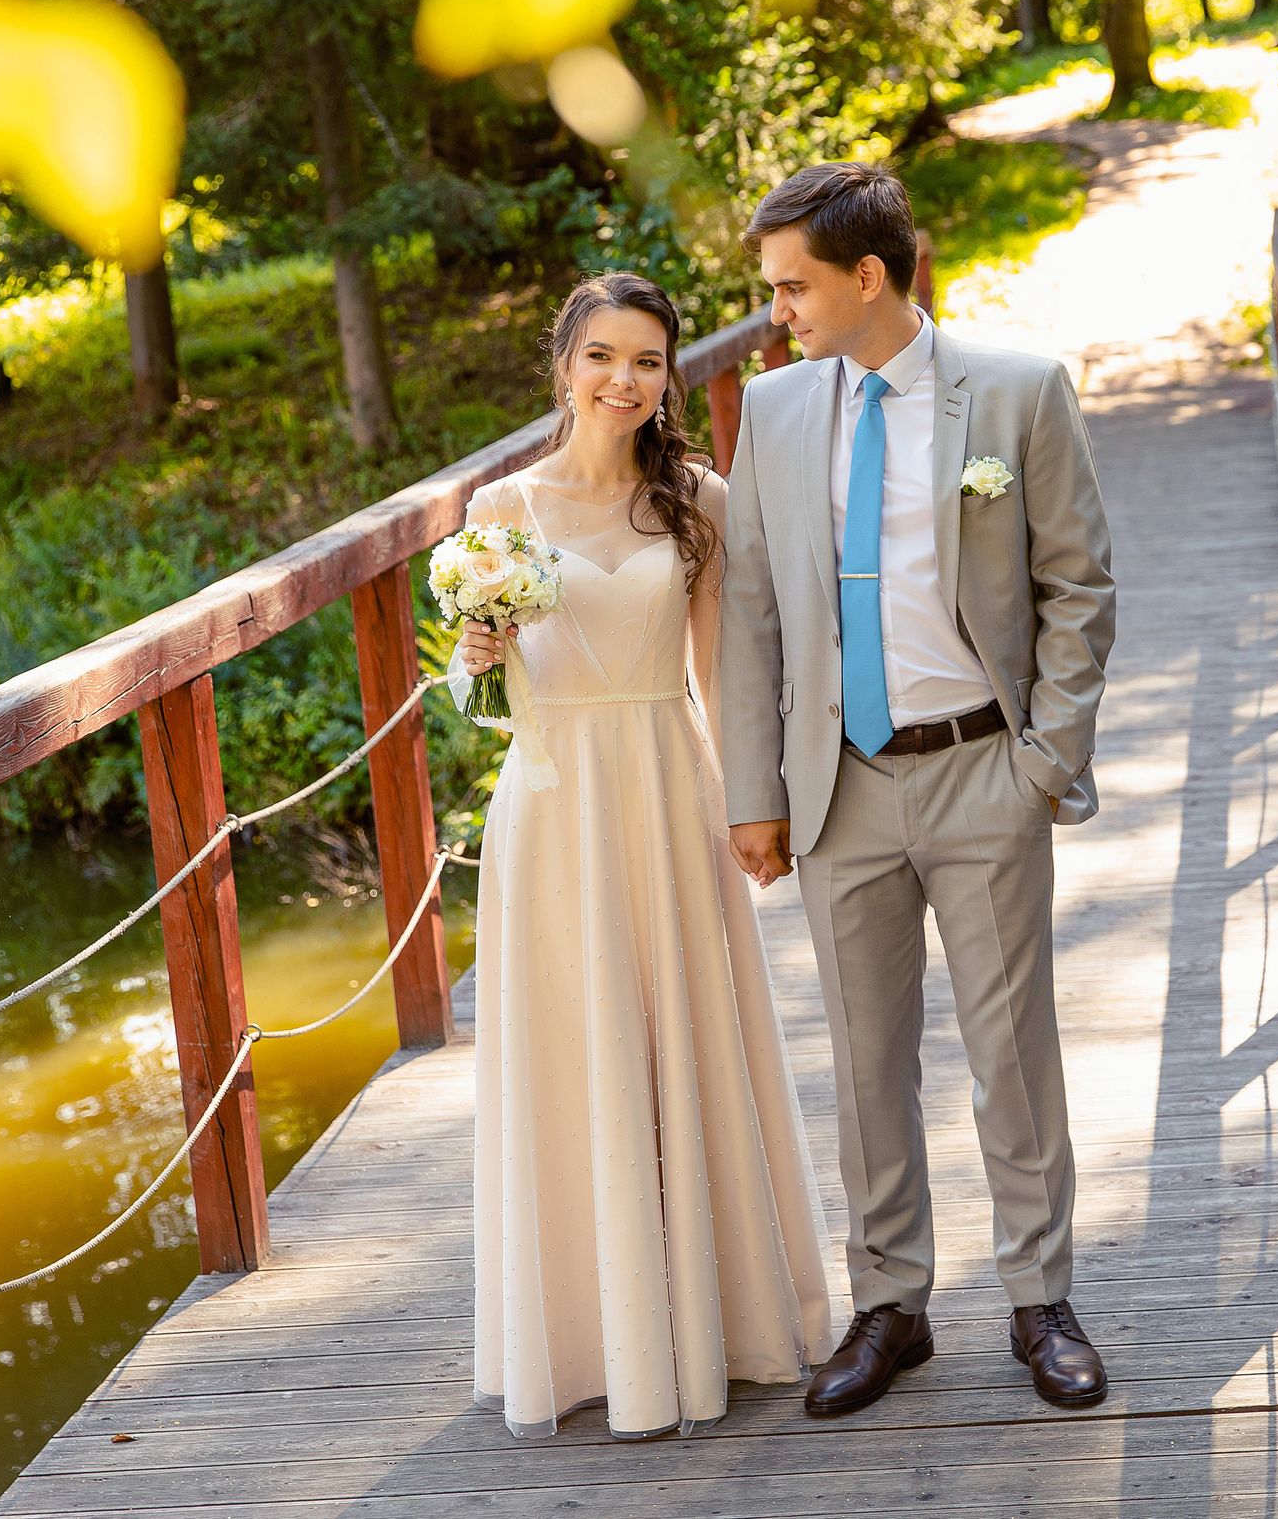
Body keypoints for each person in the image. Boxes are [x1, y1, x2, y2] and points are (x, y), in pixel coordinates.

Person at [719, 163, 1117, 1417]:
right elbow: (750, 614)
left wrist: (1044, 759)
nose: (778, 308)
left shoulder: (1015, 390)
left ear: (868, 276)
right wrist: (756, 792)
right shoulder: (774, 412)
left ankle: (1039, 1299)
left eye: (794, 286)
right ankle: (889, 1308)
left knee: (1012, 1051)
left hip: (980, 771)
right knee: (866, 1056)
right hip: (841, 788)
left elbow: (1079, 586)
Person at [450, 271, 833, 1441]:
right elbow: (479, 696)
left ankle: (721, 1325)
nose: (625, 381)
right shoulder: (499, 508)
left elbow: (721, 674)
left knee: (685, 1038)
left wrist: (751, 809)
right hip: (555, 798)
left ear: (670, 378)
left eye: (649, 362)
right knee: (576, 1053)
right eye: (603, 356)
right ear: (563, 363)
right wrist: (474, 651)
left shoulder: (697, 500)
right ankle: (585, 1341)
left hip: (669, 783)